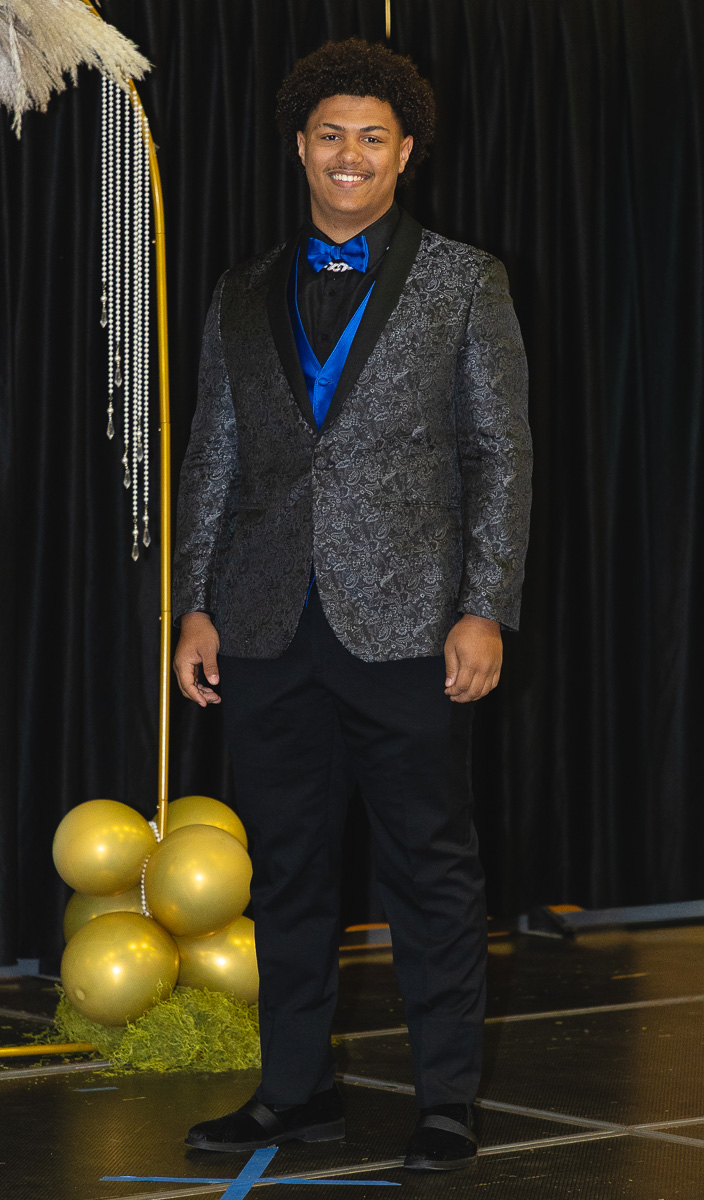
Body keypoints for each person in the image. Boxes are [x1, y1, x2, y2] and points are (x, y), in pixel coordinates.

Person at [172, 38, 531, 1172]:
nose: (349, 154)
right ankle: (295, 1092)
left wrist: (484, 605)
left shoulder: (466, 280)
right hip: (266, 626)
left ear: (405, 152)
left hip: (413, 629)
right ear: (299, 146)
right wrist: (194, 604)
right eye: (330, 134)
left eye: (372, 137)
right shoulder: (240, 290)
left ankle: (444, 1102)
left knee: (429, 866)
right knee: (285, 869)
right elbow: (213, 457)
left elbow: (499, 454)